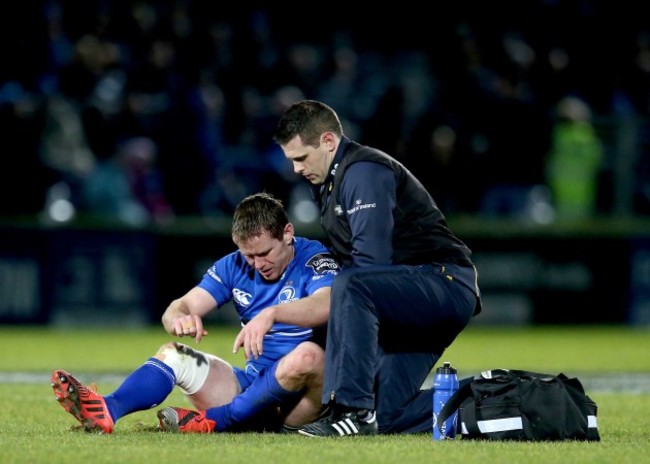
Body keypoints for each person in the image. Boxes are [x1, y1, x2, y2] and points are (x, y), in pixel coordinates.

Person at [272, 100, 482, 437]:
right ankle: (499, 396)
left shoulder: (364, 172)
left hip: (442, 282)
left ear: (328, 141)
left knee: (351, 284)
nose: (296, 169)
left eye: (301, 158)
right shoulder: (328, 181)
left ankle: (351, 413)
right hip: (410, 293)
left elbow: (369, 268)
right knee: (388, 414)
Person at [51, 192, 341, 434]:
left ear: (287, 234)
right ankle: (108, 409)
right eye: (248, 255)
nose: (256, 263)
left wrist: (272, 313)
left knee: (308, 355)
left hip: (301, 402)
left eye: (264, 253)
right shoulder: (233, 265)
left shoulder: (314, 258)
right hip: (252, 388)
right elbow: (179, 306)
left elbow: (327, 303)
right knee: (173, 353)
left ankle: (220, 420)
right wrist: (179, 317)